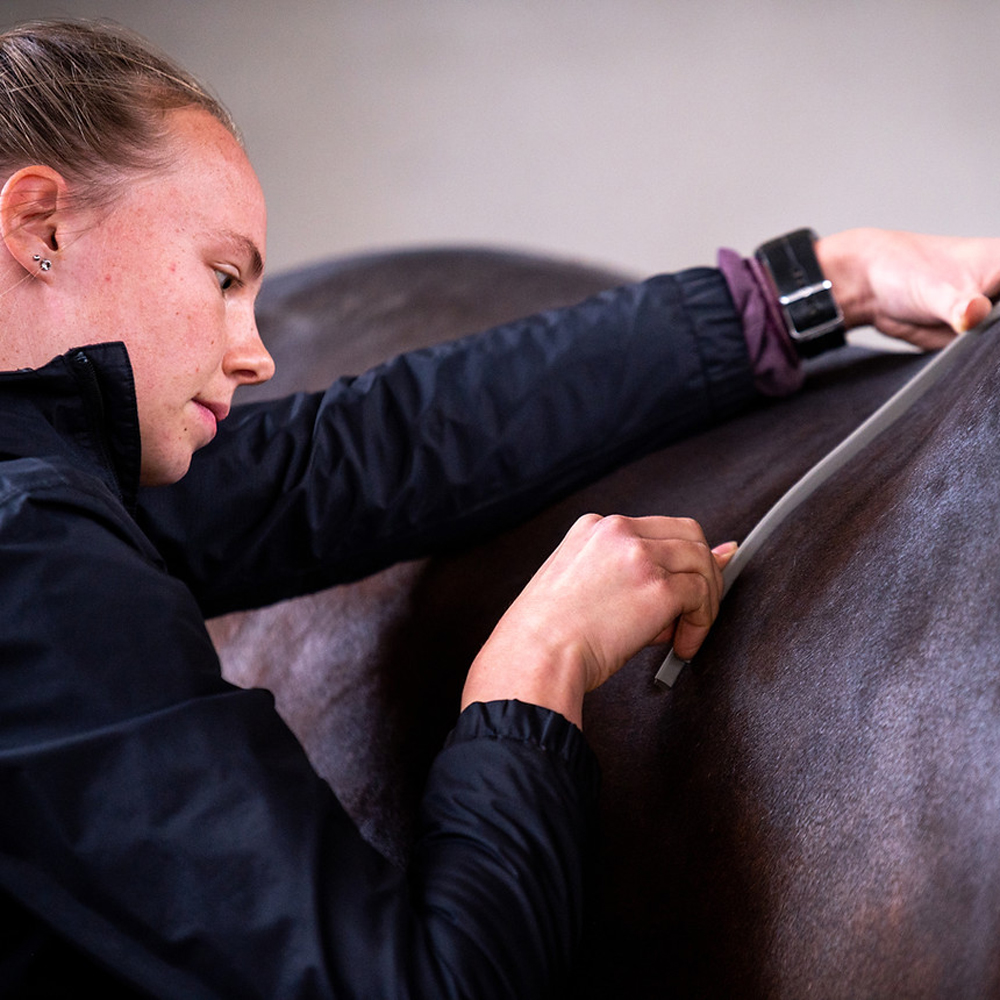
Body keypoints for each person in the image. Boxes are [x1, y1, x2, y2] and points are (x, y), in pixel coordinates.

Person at [1, 18, 998, 999]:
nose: (255, 353)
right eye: (223, 278)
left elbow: (384, 447)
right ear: (42, 227)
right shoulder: (33, 561)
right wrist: (535, 662)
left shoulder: (51, 480)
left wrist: (814, 286)